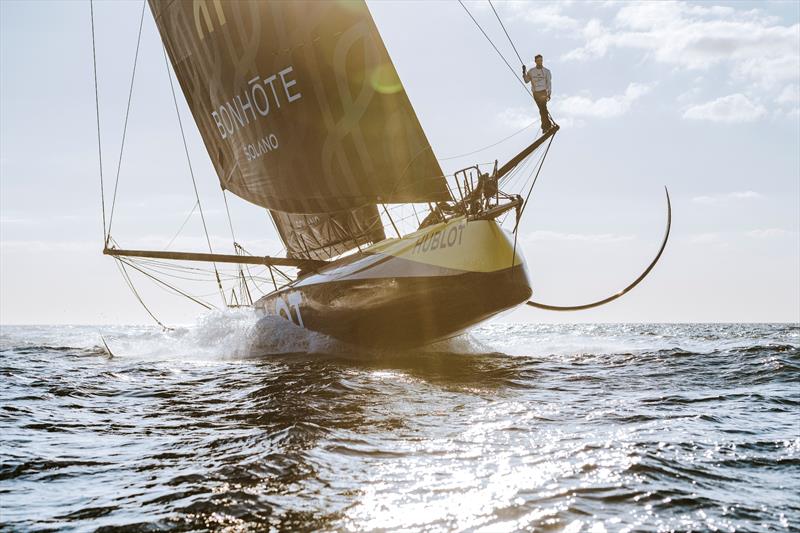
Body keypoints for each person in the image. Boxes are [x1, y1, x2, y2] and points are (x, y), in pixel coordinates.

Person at [522, 54, 552, 132]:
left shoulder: (546, 71)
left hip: (543, 92)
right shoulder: (531, 71)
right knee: (542, 109)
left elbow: (549, 83)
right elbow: (526, 81)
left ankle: (546, 126)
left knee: (543, 108)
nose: (540, 62)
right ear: (535, 61)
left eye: (541, 60)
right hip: (536, 93)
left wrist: (549, 93)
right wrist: (524, 72)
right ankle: (546, 126)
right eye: (538, 61)